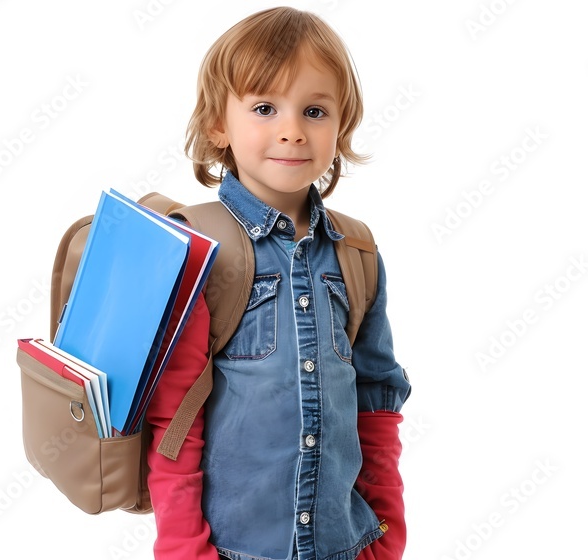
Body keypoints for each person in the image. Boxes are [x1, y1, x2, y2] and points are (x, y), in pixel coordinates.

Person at [144, 7, 412, 560]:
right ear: (219, 123)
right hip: (236, 550)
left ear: (341, 127)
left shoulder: (357, 252)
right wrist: (183, 551)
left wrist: (387, 533)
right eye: (264, 107)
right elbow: (175, 423)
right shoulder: (199, 250)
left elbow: (377, 403)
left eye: (315, 110)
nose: (292, 129)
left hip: (347, 544)